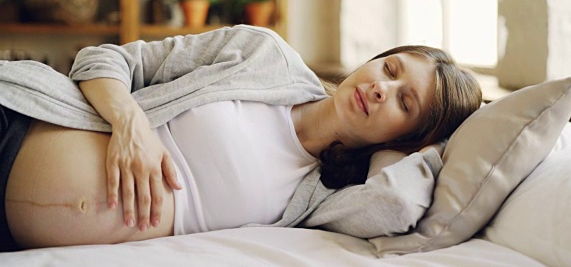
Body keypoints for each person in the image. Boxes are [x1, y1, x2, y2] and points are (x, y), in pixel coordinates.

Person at [0, 25, 482, 252]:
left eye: (404, 103)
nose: (381, 87)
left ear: (411, 138)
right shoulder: (264, 54)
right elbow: (105, 59)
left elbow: (396, 207)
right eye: (390, 68)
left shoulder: (326, 196)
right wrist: (132, 125)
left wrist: (432, 147)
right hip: (17, 123)